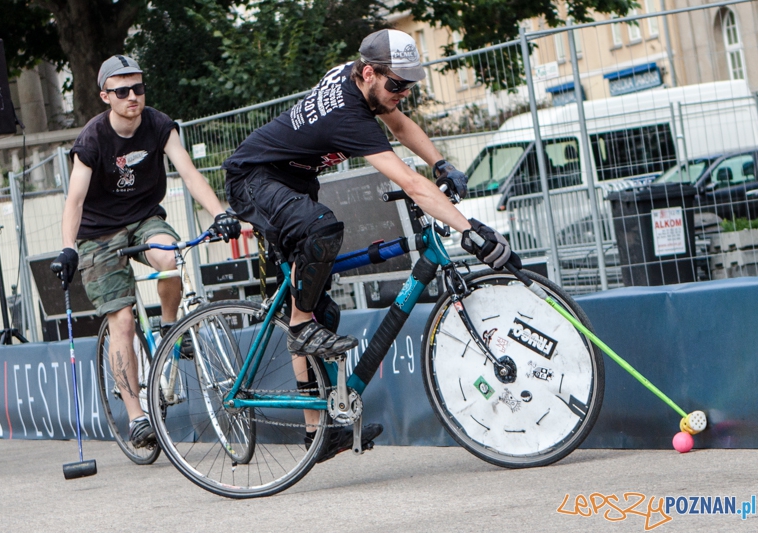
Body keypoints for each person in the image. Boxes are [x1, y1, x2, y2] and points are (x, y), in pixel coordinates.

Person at [222, 29, 521, 461]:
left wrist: (440, 161)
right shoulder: (348, 115)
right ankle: (302, 324)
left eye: (409, 85)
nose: (402, 93)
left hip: (293, 182)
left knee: (321, 304)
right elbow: (408, 181)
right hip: (253, 181)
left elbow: (398, 124)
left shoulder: (359, 85)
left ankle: (318, 432)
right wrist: (468, 228)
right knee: (322, 231)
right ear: (367, 73)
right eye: (396, 84)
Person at [53, 55, 241, 449]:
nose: (132, 97)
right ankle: (137, 416)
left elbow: (189, 172)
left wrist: (221, 214)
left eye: (138, 88)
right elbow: (74, 200)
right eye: (122, 91)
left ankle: (171, 327)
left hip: (144, 218)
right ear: (106, 96)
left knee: (171, 257)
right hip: (98, 232)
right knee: (121, 319)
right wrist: (68, 248)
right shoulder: (91, 139)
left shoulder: (158, 124)